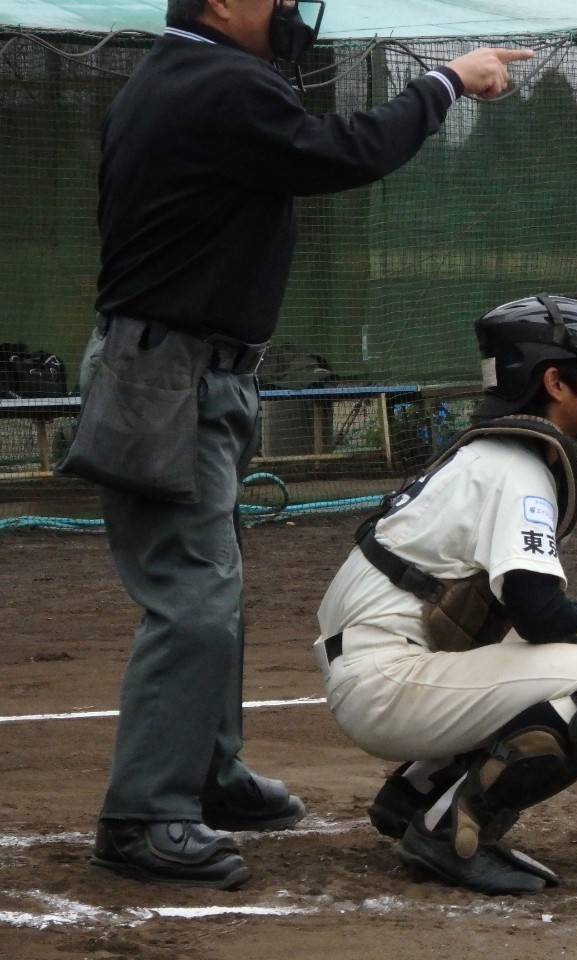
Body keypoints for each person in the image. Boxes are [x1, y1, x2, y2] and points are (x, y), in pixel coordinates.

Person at [60, 0, 531, 890]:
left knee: (214, 582)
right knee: (193, 593)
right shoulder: (217, 82)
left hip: (190, 371)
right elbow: (344, 151)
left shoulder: (187, 77)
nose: (288, 7)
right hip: (168, 378)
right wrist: (446, 82)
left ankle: (206, 771)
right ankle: (143, 817)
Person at [313, 295, 577, 895]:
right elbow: (538, 614)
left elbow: (527, 609)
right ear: (555, 382)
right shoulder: (517, 469)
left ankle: (420, 793)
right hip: (389, 682)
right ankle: (452, 830)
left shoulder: (491, 455)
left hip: (381, 667)